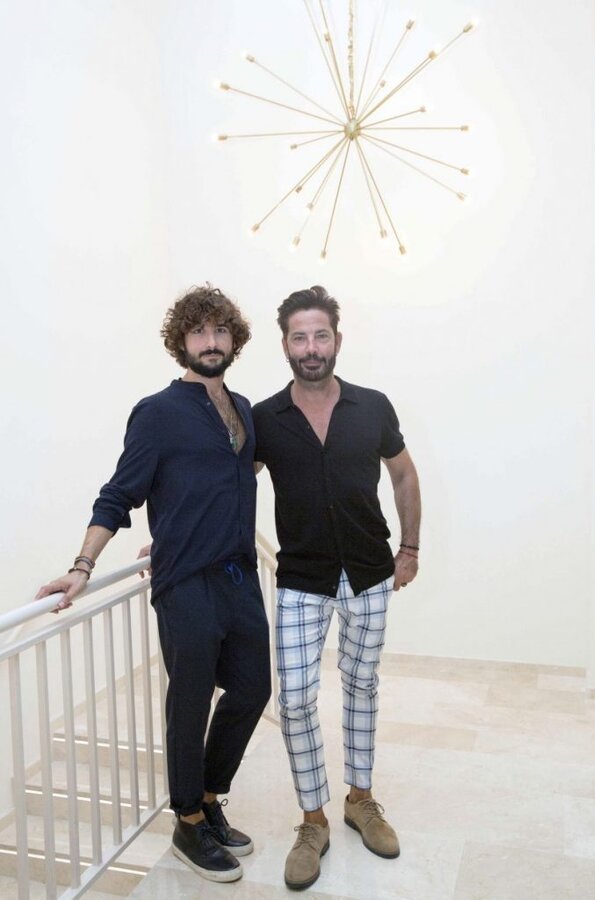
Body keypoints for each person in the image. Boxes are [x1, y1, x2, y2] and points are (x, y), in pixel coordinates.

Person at [36, 285, 271, 884]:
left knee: (253, 689)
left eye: (220, 330)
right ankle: (187, 820)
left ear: (235, 339)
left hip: (238, 574)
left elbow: (234, 470)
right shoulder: (158, 412)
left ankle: (210, 799)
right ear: (180, 342)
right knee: (190, 700)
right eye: (199, 332)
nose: (211, 342)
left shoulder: (243, 409)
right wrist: (83, 566)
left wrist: (185, 522)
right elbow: (120, 493)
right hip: (186, 583)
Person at [252, 285, 421, 891]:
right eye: (299, 337)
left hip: (370, 574)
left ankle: (361, 799)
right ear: (285, 346)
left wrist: (409, 549)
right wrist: (174, 536)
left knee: (361, 685)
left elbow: (403, 475)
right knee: (295, 699)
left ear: (337, 341)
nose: (311, 347)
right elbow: (231, 486)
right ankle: (312, 821)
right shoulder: (265, 418)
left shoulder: (372, 406)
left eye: (320, 335)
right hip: (302, 578)